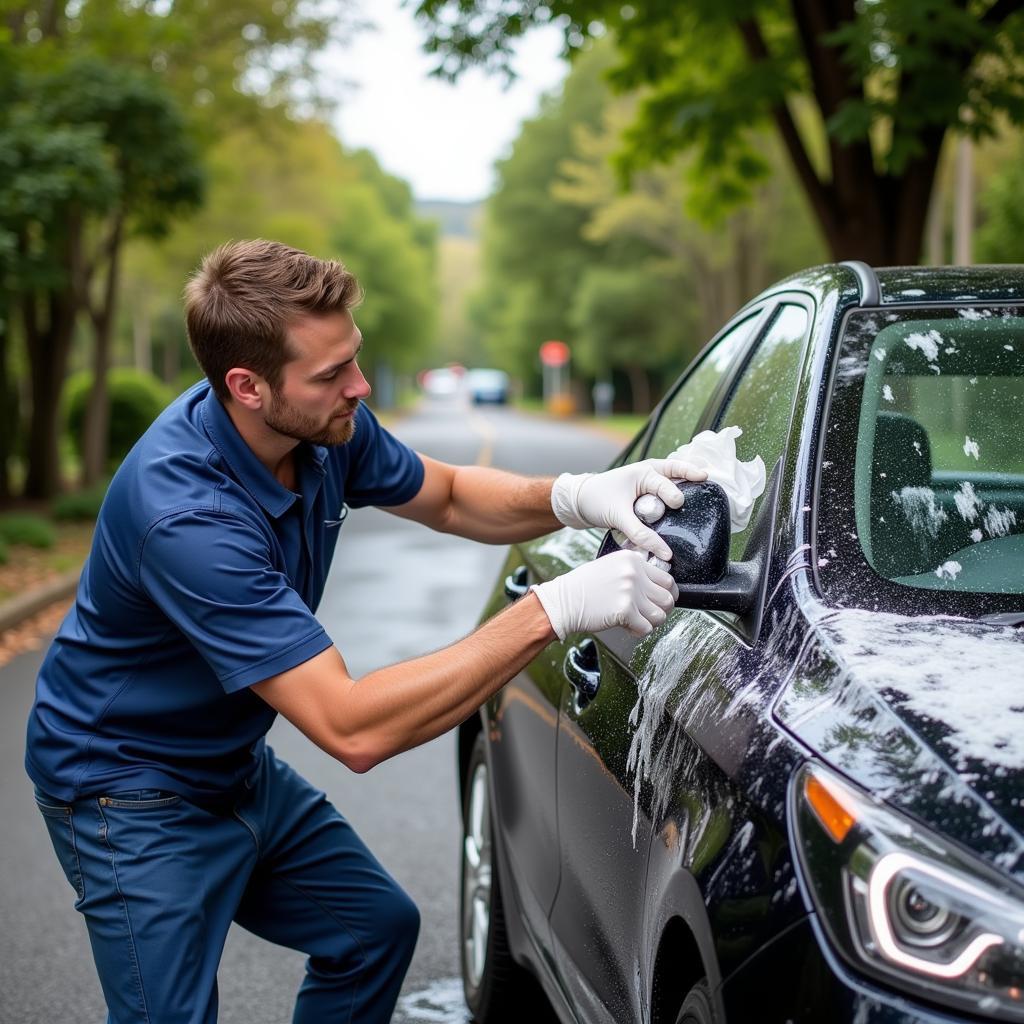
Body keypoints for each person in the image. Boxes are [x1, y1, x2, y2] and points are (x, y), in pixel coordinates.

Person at [25, 239, 705, 1024]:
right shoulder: (186, 518)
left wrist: (581, 493)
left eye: (353, 356)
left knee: (373, 932)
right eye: (331, 374)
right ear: (247, 386)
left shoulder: (318, 430)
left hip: (227, 764)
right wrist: (552, 609)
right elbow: (351, 727)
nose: (360, 385)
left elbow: (446, 494)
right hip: (128, 789)